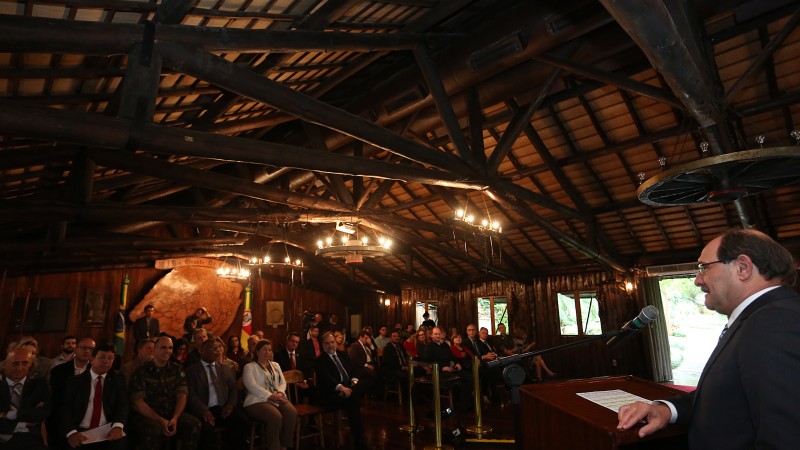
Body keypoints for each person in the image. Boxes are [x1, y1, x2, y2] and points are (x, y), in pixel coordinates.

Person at [617, 229, 800, 449]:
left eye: (704, 267)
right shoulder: (759, 318)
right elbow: (725, 396)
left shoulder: (774, 321)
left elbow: (786, 436)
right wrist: (667, 409)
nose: (697, 280)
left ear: (743, 268)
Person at [129, 336, 201, 450]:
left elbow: (182, 394)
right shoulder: (141, 372)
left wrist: (175, 417)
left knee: (193, 424)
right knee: (152, 431)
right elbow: (138, 403)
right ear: (154, 350)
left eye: (170, 348)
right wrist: (160, 420)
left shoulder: (177, 369)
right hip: (149, 416)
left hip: (172, 414)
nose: (167, 351)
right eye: (163, 348)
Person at [58, 340, 128, 450]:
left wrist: (118, 426)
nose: (106, 361)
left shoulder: (118, 379)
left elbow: (122, 405)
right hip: (81, 430)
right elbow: (64, 409)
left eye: (110, 358)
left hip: (107, 430)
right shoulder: (74, 382)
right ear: (91, 359)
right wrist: (71, 433)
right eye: (102, 357)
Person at [185, 340, 249, 450]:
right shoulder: (191, 371)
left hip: (222, 408)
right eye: (209, 349)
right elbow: (191, 395)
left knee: (243, 422)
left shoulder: (225, 368)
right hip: (204, 409)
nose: (214, 352)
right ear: (201, 350)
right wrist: (204, 410)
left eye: (216, 349)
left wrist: (230, 405)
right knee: (206, 431)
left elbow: (234, 388)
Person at [315, 332, 373, 450]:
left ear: (336, 343)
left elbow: (353, 370)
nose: (330, 345)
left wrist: (354, 381)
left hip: (348, 388)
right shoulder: (321, 360)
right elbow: (327, 379)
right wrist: (341, 388)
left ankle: (352, 391)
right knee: (353, 399)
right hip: (332, 394)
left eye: (332, 342)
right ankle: (359, 439)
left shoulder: (342, 354)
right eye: (327, 343)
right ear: (322, 345)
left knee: (370, 378)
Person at [242, 339, 297, 450]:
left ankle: (284, 445)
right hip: (256, 400)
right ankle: (274, 447)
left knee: (291, 412)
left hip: (277, 397)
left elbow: (282, 382)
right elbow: (251, 385)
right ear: (257, 352)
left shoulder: (275, 365)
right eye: (264, 350)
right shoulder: (249, 367)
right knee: (276, 417)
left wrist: (280, 393)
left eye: (270, 350)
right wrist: (271, 396)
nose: (268, 352)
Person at [0, 347, 52, 450]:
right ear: (5, 365)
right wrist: (24, 423)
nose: (19, 368)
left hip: (32, 440)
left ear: (30, 364)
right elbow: (34, 415)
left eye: (24, 363)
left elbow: (43, 413)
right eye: (15, 363)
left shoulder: (41, 386)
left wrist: (8, 414)